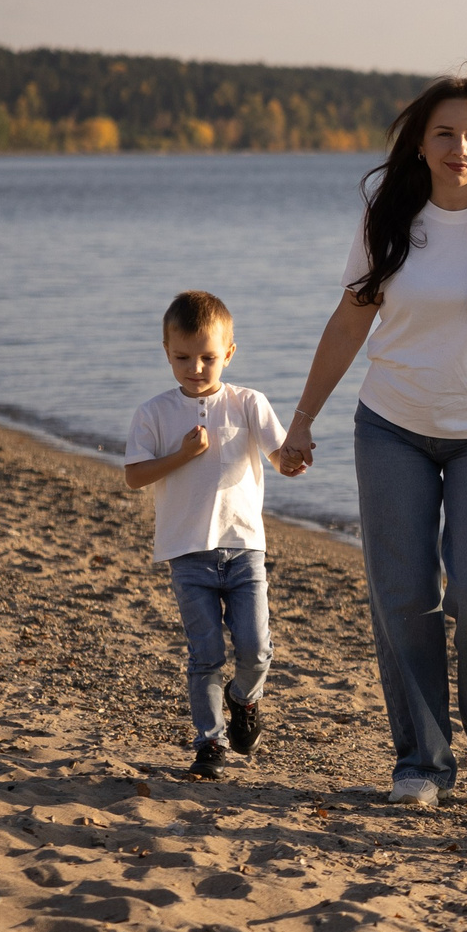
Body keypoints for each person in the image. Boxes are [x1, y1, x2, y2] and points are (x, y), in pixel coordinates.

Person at [275, 77, 467, 808]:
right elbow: (350, 322)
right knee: (404, 596)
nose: (460, 148)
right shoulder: (388, 216)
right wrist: (301, 419)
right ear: (421, 140)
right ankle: (422, 758)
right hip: (391, 426)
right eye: (446, 133)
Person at [124, 290, 302, 781]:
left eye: (207, 357)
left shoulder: (248, 403)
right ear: (166, 351)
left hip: (244, 547)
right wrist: (182, 455)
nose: (195, 367)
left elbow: (279, 455)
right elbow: (134, 476)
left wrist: (293, 460)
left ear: (229, 353)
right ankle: (209, 741)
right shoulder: (153, 413)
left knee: (257, 649)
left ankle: (243, 698)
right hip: (187, 553)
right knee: (205, 655)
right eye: (182, 357)